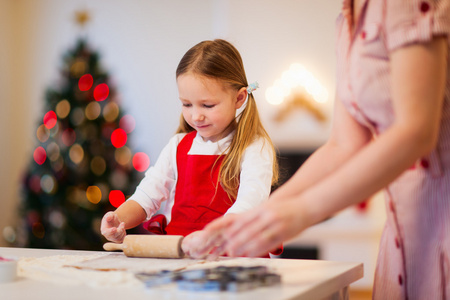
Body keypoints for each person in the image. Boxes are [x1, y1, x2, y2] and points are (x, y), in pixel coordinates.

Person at [182, 0, 450, 298]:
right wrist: (263, 213)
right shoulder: (345, 22)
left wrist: (302, 212)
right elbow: (343, 145)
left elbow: (415, 132)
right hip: (403, 235)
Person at [100, 39, 279, 255]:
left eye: (208, 105)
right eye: (186, 104)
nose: (196, 115)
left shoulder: (254, 146)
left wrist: (213, 236)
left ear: (239, 98)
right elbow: (148, 194)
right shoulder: (177, 145)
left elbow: (251, 201)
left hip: (232, 257)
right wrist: (118, 220)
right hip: (181, 257)